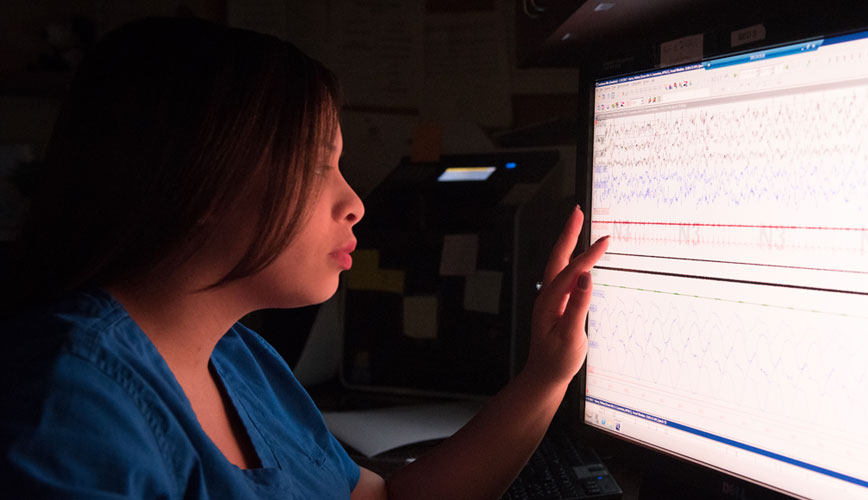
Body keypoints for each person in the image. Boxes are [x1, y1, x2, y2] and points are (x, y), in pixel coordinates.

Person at [0, 17, 608, 499]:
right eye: (320, 165)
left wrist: (547, 373)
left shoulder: (238, 358)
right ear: (206, 179)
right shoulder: (68, 405)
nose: (355, 204)